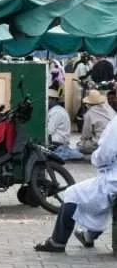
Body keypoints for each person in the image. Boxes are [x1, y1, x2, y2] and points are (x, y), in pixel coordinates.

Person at [34, 117, 117, 253]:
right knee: (95, 197)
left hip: (113, 179)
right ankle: (88, 235)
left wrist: (95, 159)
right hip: (112, 179)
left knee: (73, 193)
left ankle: (57, 242)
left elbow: (105, 154)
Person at [47, 89, 82, 161]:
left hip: (57, 141)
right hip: (58, 140)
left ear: (53, 99)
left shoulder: (56, 112)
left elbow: (49, 131)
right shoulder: (55, 110)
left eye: (48, 99)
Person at [79, 90, 116, 155]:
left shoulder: (89, 113)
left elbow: (86, 133)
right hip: (114, 142)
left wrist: (82, 143)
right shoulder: (109, 109)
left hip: (103, 144)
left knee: (82, 147)